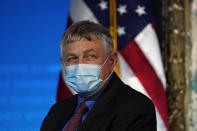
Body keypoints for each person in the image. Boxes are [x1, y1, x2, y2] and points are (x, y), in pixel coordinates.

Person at [40, 21, 156, 131]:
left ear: (111, 61)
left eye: (90, 56)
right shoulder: (56, 112)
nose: (80, 65)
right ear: (64, 64)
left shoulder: (136, 107)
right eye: (72, 58)